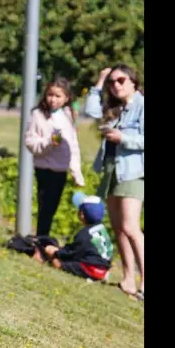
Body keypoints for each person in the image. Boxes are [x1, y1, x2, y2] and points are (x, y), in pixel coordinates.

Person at [83, 64, 144, 301]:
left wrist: (123, 138)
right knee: (118, 228)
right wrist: (98, 84)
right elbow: (90, 112)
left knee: (130, 227)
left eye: (120, 80)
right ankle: (128, 278)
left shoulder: (141, 105)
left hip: (133, 171)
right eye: (112, 82)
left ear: (133, 82)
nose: (116, 85)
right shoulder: (116, 107)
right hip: (111, 169)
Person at [23, 77, 85, 237]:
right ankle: (41, 240)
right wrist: (48, 142)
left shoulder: (67, 115)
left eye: (58, 96)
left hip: (61, 169)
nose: (53, 100)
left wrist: (76, 171)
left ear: (66, 98)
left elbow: (73, 144)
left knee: (52, 207)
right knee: (45, 206)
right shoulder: (38, 115)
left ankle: (43, 239)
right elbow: (30, 142)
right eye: (50, 95)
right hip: (45, 168)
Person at [33, 192, 114, 282]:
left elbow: (72, 253)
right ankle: (101, 274)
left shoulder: (84, 234)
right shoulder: (102, 229)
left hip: (90, 268)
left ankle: (94, 275)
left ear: (82, 215)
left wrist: (56, 252)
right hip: (104, 268)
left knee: (57, 262)